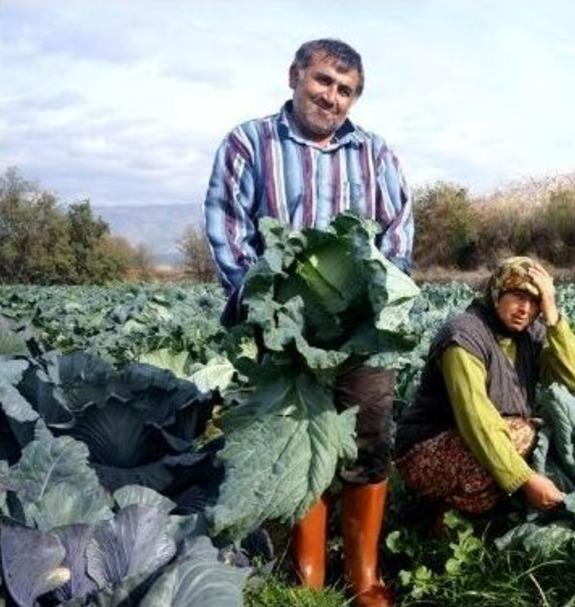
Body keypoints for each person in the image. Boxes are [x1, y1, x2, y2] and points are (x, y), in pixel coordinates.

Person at [203, 38, 409, 607]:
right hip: (280, 331)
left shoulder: (375, 153)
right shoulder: (249, 143)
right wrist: (266, 303)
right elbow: (227, 228)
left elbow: (397, 234)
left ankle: (365, 576)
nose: (332, 97)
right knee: (297, 444)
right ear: (295, 76)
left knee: (370, 436)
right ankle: (308, 574)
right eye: (322, 81)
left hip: (361, 332)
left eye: (345, 90)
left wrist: (372, 305)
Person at [395, 257, 575, 515]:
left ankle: (471, 511)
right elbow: (476, 420)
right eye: (518, 296)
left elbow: (570, 378)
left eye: (535, 301)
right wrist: (524, 480)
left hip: (468, 443)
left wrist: (553, 317)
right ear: (497, 293)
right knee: (522, 433)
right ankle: (442, 517)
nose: (525, 309)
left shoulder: (529, 335)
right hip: (422, 453)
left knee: (535, 430)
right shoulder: (464, 338)